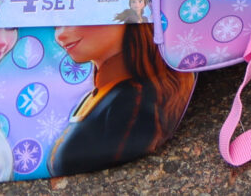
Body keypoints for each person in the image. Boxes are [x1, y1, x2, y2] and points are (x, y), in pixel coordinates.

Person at [47, 18, 194, 175]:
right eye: (56, 25)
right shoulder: (102, 93)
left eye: (77, 16)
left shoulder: (132, 98)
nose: (59, 36)